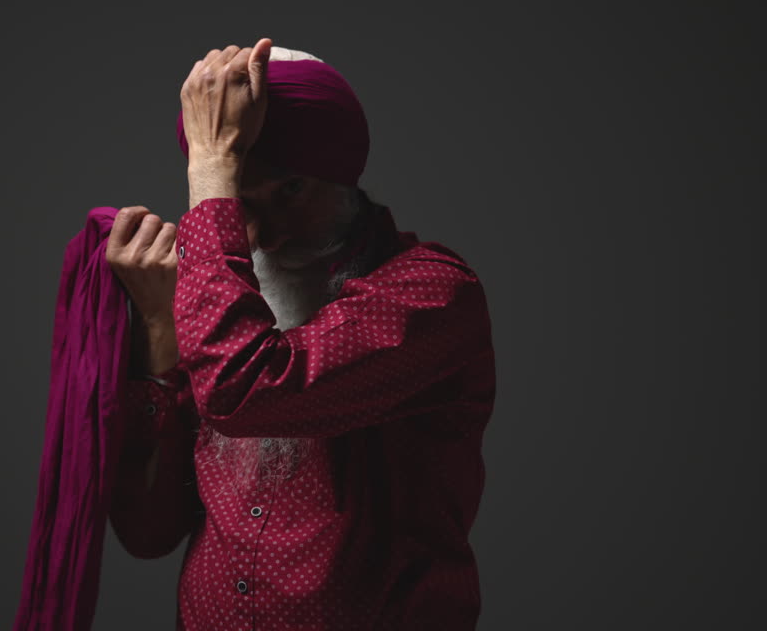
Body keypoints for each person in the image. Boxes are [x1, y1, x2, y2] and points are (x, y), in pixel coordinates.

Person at [105, 39, 496, 630]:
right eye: (240, 202)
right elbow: (149, 532)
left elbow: (246, 391)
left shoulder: (433, 295)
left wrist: (212, 166)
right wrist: (159, 326)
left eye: (289, 191)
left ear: (342, 174)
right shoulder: (219, 304)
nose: (262, 236)